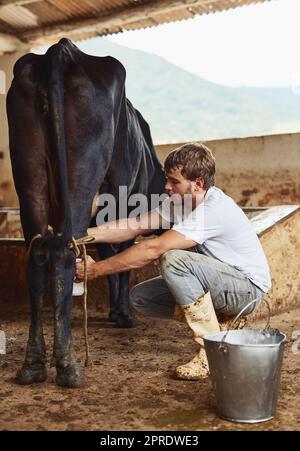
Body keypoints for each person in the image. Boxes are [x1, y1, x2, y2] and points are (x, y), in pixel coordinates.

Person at [76, 142, 271, 380]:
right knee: (142, 298)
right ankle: (223, 325)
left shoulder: (213, 210)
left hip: (247, 290)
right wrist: (81, 235)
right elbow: (135, 225)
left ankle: (211, 352)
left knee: (174, 260)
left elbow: (153, 248)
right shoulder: (180, 202)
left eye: (174, 182)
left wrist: (95, 270)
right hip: (221, 283)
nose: (167, 186)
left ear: (198, 183)